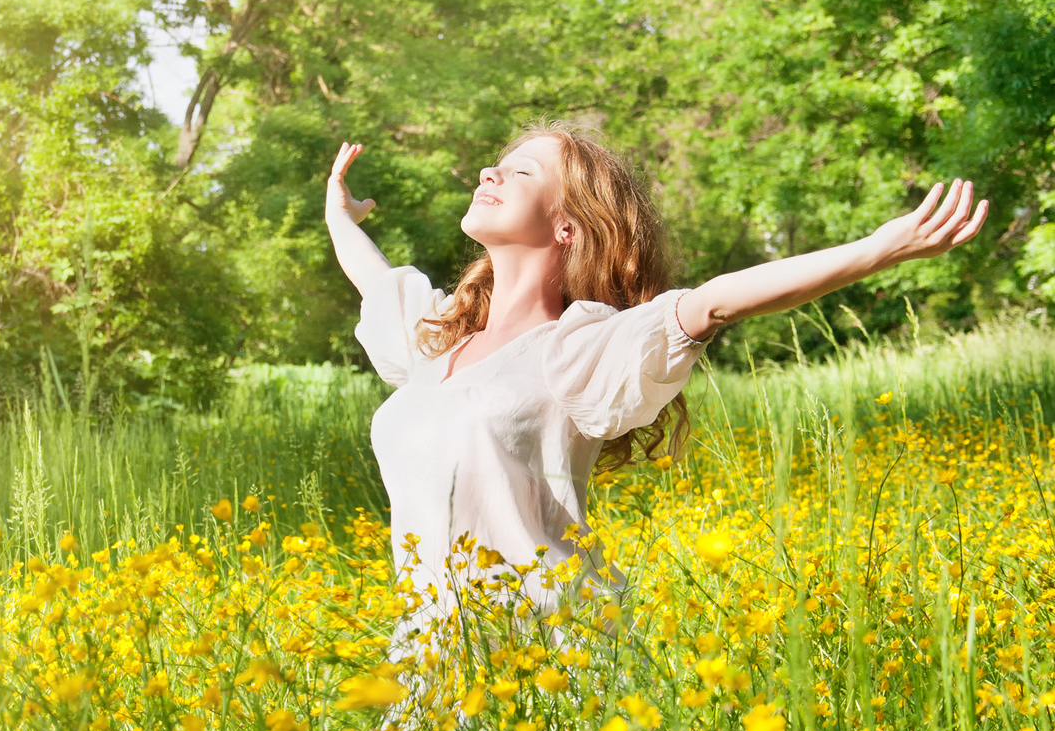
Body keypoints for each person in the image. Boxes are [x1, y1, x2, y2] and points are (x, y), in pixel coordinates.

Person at [325, 122, 987, 637]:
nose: (489, 170)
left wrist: (875, 249)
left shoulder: (577, 347)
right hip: (429, 650)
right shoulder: (439, 345)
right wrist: (339, 216)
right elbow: (378, 280)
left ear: (568, 227)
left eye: (521, 171)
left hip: (542, 648)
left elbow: (714, 302)